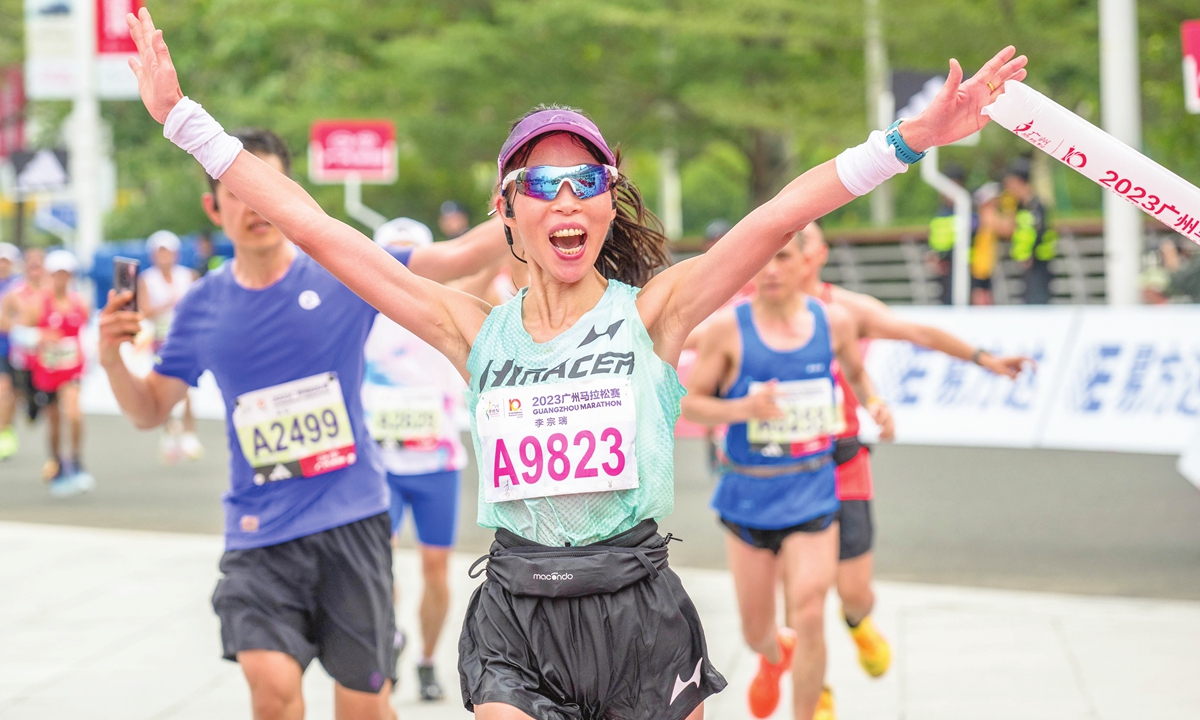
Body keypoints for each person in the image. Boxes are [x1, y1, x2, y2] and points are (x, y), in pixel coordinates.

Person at [122, 11, 1025, 717]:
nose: (566, 199)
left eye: (586, 182)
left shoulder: (658, 313)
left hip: (638, 610)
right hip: (515, 611)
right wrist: (182, 120)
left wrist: (909, 139)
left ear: (606, 204)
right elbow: (319, 228)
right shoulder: (472, 330)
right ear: (506, 214)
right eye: (540, 185)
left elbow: (776, 217)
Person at [98, 116, 509, 719]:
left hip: (353, 522)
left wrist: (544, 194)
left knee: (365, 706)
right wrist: (111, 358)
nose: (254, 204)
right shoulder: (202, 306)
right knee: (271, 688)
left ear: (291, 198)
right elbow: (149, 409)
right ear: (214, 208)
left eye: (267, 187)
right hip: (260, 532)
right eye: (237, 190)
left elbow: (462, 254)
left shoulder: (347, 270)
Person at [797, 221, 1032, 693]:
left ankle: (859, 623)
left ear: (815, 254)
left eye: (800, 244)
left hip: (843, 464)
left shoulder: (844, 309)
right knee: (804, 597)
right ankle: (814, 693)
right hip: (781, 470)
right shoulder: (747, 311)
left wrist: (984, 358)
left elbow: (917, 332)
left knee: (854, 593)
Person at [681, 231, 894, 720]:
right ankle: (777, 656)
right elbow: (692, 402)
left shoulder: (833, 322)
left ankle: (807, 707)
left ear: (806, 263)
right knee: (756, 632)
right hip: (747, 495)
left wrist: (876, 404)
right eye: (763, 259)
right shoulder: (727, 331)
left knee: (811, 611)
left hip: (813, 487)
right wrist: (745, 407)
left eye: (782, 258)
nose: (771, 269)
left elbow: (857, 373)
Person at [363, 217, 469, 702]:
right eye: (392, 254)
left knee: (434, 569)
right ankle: (390, 638)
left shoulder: (446, 309)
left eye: (412, 254)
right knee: (376, 568)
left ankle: (427, 659)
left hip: (438, 463)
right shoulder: (361, 314)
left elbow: (489, 274)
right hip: (379, 465)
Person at [26, 250, 94, 496]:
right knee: (54, 423)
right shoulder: (37, 304)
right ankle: (57, 462)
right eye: (57, 275)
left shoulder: (80, 303)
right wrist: (42, 337)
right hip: (47, 370)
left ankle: (76, 460)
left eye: (65, 275)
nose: (61, 280)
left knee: (74, 413)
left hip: (72, 369)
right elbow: (21, 334)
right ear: (49, 276)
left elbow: (86, 334)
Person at [138, 229, 203, 462]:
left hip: (186, 338)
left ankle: (188, 433)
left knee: (187, 386)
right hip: (160, 340)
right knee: (163, 385)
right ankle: (169, 432)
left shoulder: (189, 275)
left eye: (168, 251)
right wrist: (166, 303)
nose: (164, 256)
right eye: (160, 252)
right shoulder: (147, 279)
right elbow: (144, 310)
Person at [999, 157, 1057, 304]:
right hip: (1026, 263)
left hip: (1038, 262)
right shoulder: (1021, 206)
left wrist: (1030, 253)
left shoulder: (1037, 206)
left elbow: (1040, 231)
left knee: (1037, 300)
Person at [1, 247, 47, 432]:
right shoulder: (15, 292)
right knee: (9, 391)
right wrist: (20, 329)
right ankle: (5, 434)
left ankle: (34, 405)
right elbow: (3, 319)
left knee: (27, 393)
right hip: (16, 351)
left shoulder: (51, 291)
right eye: (31, 263)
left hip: (44, 352)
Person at [926, 164, 967, 305]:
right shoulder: (940, 212)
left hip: (961, 270)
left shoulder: (967, 210)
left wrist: (945, 257)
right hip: (941, 272)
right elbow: (936, 238)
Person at [0, 242, 22, 459]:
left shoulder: (19, 286)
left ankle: (6, 428)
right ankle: (4, 431)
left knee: (12, 393)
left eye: (5, 261)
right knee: (4, 391)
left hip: (15, 348)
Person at [969, 182, 1002, 305]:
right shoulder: (987, 214)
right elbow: (1005, 228)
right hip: (982, 261)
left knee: (983, 290)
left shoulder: (980, 215)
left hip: (984, 260)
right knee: (981, 292)